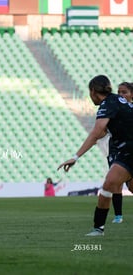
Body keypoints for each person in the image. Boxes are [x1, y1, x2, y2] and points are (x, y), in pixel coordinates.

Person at [57, 75, 133, 236]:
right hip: (127, 150)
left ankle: (98, 228)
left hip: (128, 150)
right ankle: (98, 228)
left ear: (93, 91)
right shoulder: (116, 102)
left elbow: (97, 132)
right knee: (118, 185)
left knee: (109, 184)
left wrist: (75, 157)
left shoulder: (107, 104)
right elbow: (102, 133)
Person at [107, 82, 133, 223]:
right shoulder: (114, 109)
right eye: (119, 92)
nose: (121, 95)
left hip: (130, 148)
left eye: (125, 92)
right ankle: (118, 216)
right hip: (116, 148)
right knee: (115, 182)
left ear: (132, 95)